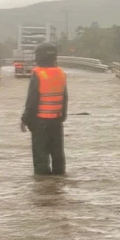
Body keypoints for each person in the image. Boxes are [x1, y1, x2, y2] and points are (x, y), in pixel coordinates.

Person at [21, 42, 68, 175]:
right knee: (57, 154)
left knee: (40, 157)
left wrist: (25, 120)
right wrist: (62, 117)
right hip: (57, 121)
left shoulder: (38, 74)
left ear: (39, 57)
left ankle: (42, 186)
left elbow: (32, 100)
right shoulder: (60, 73)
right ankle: (59, 183)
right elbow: (65, 97)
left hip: (40, 122)